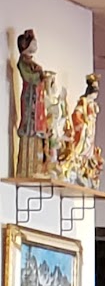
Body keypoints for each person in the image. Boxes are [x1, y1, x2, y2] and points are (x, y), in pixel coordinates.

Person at [13, 30, 56, 180]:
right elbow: (29, 78)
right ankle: (26, 169)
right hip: (30, 101)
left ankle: (37, 167)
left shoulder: (33, 64)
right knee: (29, 131)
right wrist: (41, 76)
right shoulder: (23, 63)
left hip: (37, 102)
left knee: (38, 132)